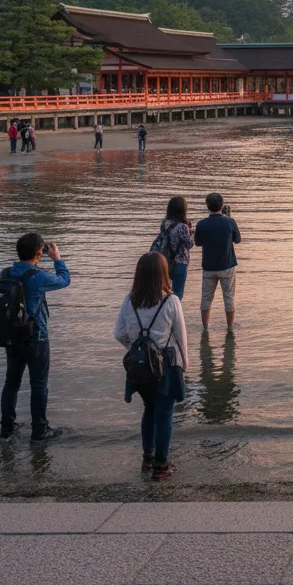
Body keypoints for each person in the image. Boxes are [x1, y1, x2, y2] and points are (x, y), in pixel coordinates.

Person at [113, 251, 188, 480]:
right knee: (165, 414)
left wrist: (136, 349)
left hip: (139, 367)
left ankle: (148, 458)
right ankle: (161, 466)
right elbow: (181, 337)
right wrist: (184, 366)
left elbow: (119, 334)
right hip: (165, 365)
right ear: (164, 274)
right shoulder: (171, 300)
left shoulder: (130, 300)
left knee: (148, 409)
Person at [0, 233, 72, 441]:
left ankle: (7, 429)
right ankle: (40, 430)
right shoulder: (38, 277)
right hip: (36, 336)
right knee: (38, 384)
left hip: (11, 337)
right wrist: (57, 258)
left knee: (11, 382)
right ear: (40, 253)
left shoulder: (4, 273)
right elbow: (64, 280)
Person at [195, 193, 241, 333]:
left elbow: (197, 243)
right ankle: (230, 328)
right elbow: (237, 240)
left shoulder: (201, 224)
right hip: (227, 265)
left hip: (209, 267)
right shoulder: (230, 222)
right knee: (229, 297)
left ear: (207, 206)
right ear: (222, 206)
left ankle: (206, 329)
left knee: (206, 299)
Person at [156, 195, 194, 301]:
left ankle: (162, 312)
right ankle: (174, 315)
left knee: (165, 289)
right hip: (180, 262)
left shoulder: (165, 223)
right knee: (177, 293)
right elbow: (189, 244)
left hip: (164, 259)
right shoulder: (183, 227)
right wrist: (191, 233)